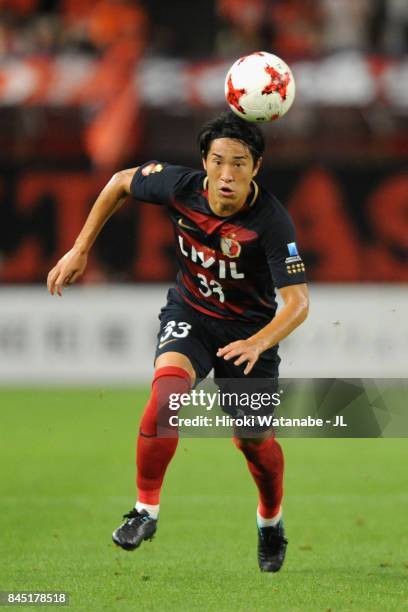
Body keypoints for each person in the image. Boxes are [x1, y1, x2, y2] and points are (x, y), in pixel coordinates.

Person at [47, 111, 309, 572]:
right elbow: (119, 182)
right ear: (204, 162)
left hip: (248, 334)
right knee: (165, 394)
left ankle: (271, 521)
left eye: (240, 164)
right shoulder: (178, 187)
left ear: (257, 167)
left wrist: (258, 342)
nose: (227, 175)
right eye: (218, 161)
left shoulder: (272, 221)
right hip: (190, 314)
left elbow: (298, 303)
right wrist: (80, 248)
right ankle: (144, 511)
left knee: (253, 442)